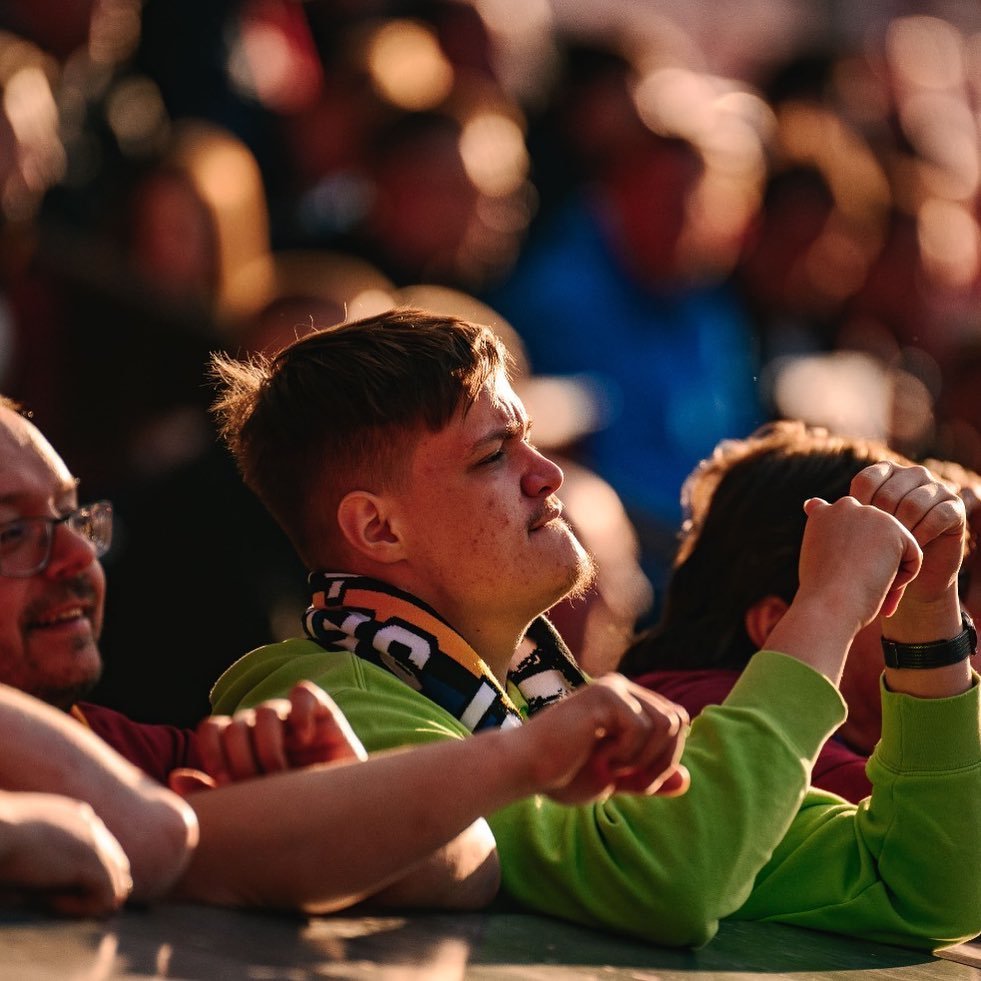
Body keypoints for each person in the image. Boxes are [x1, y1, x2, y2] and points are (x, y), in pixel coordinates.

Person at [208, 306, 981, 951]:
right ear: (377, 528)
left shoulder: (546, 699)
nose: (547, 474)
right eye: (492, 456)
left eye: (530, 440)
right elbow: (675, 877)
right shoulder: (322, 700)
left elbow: (927, 888)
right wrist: (829, 604)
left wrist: (926, 610)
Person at [0, 393, 689, 916]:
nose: (75, 559)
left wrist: (341, 793)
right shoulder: (327, 675)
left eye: (71, 517)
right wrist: (525, 758)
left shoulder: (137, 746)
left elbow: (463, 859)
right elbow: (158, 840)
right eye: (11, 532)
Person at [619, 421, 918, 802]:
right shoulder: (711, 715)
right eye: (907, 581)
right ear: (778, 626)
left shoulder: (673, 692)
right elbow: (941, 832)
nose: (960, 620)